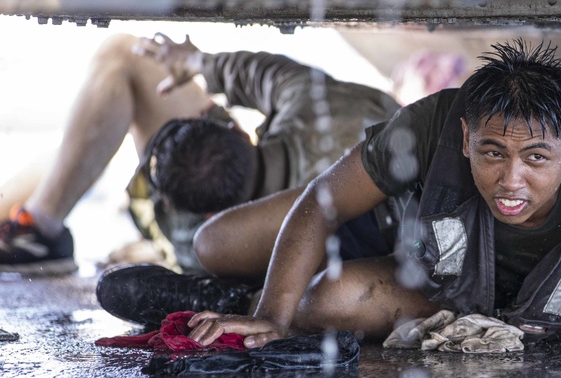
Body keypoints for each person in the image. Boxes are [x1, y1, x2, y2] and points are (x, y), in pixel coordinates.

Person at [101, 39, 561, 354]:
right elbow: (321, 201)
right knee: (220, 244)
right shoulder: (432, 123)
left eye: (536, 159)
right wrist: (274, 316)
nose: (512, 181)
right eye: (493, 154)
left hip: (524, 304)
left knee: (324, 305)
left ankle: (230, 304)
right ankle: (235, 298)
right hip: (426, 244)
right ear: (464, 137)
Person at [0, 33, 401, 274]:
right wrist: (195, 62)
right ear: (238, 134)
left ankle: (40, 225)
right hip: (373, 140)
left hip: (253, 232)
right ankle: (35, 218)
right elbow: (264, 72)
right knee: (127, 57)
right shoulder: (313, 104)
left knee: (122, 57)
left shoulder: (203, 248)